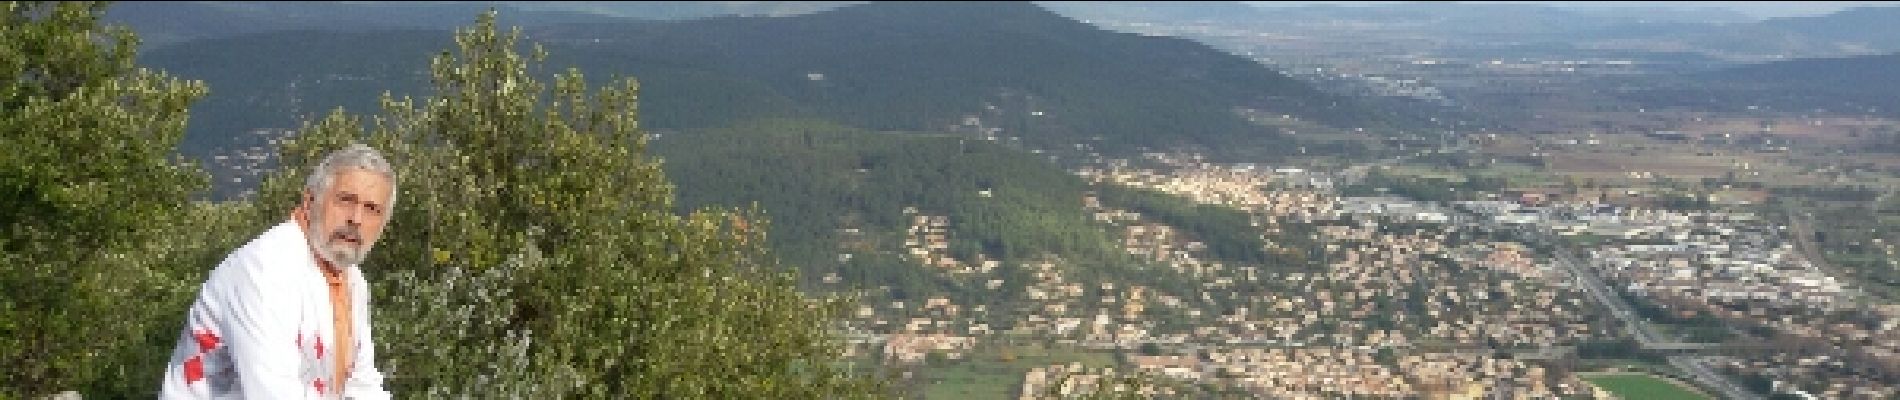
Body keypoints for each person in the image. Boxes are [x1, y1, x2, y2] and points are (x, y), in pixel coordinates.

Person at [161, 144, 397, 399]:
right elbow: (272, 393)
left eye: (372, 209)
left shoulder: (352, 282)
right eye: (345, 200)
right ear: (310, 202)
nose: (356, 219)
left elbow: (361, 385)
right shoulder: (264, 270)